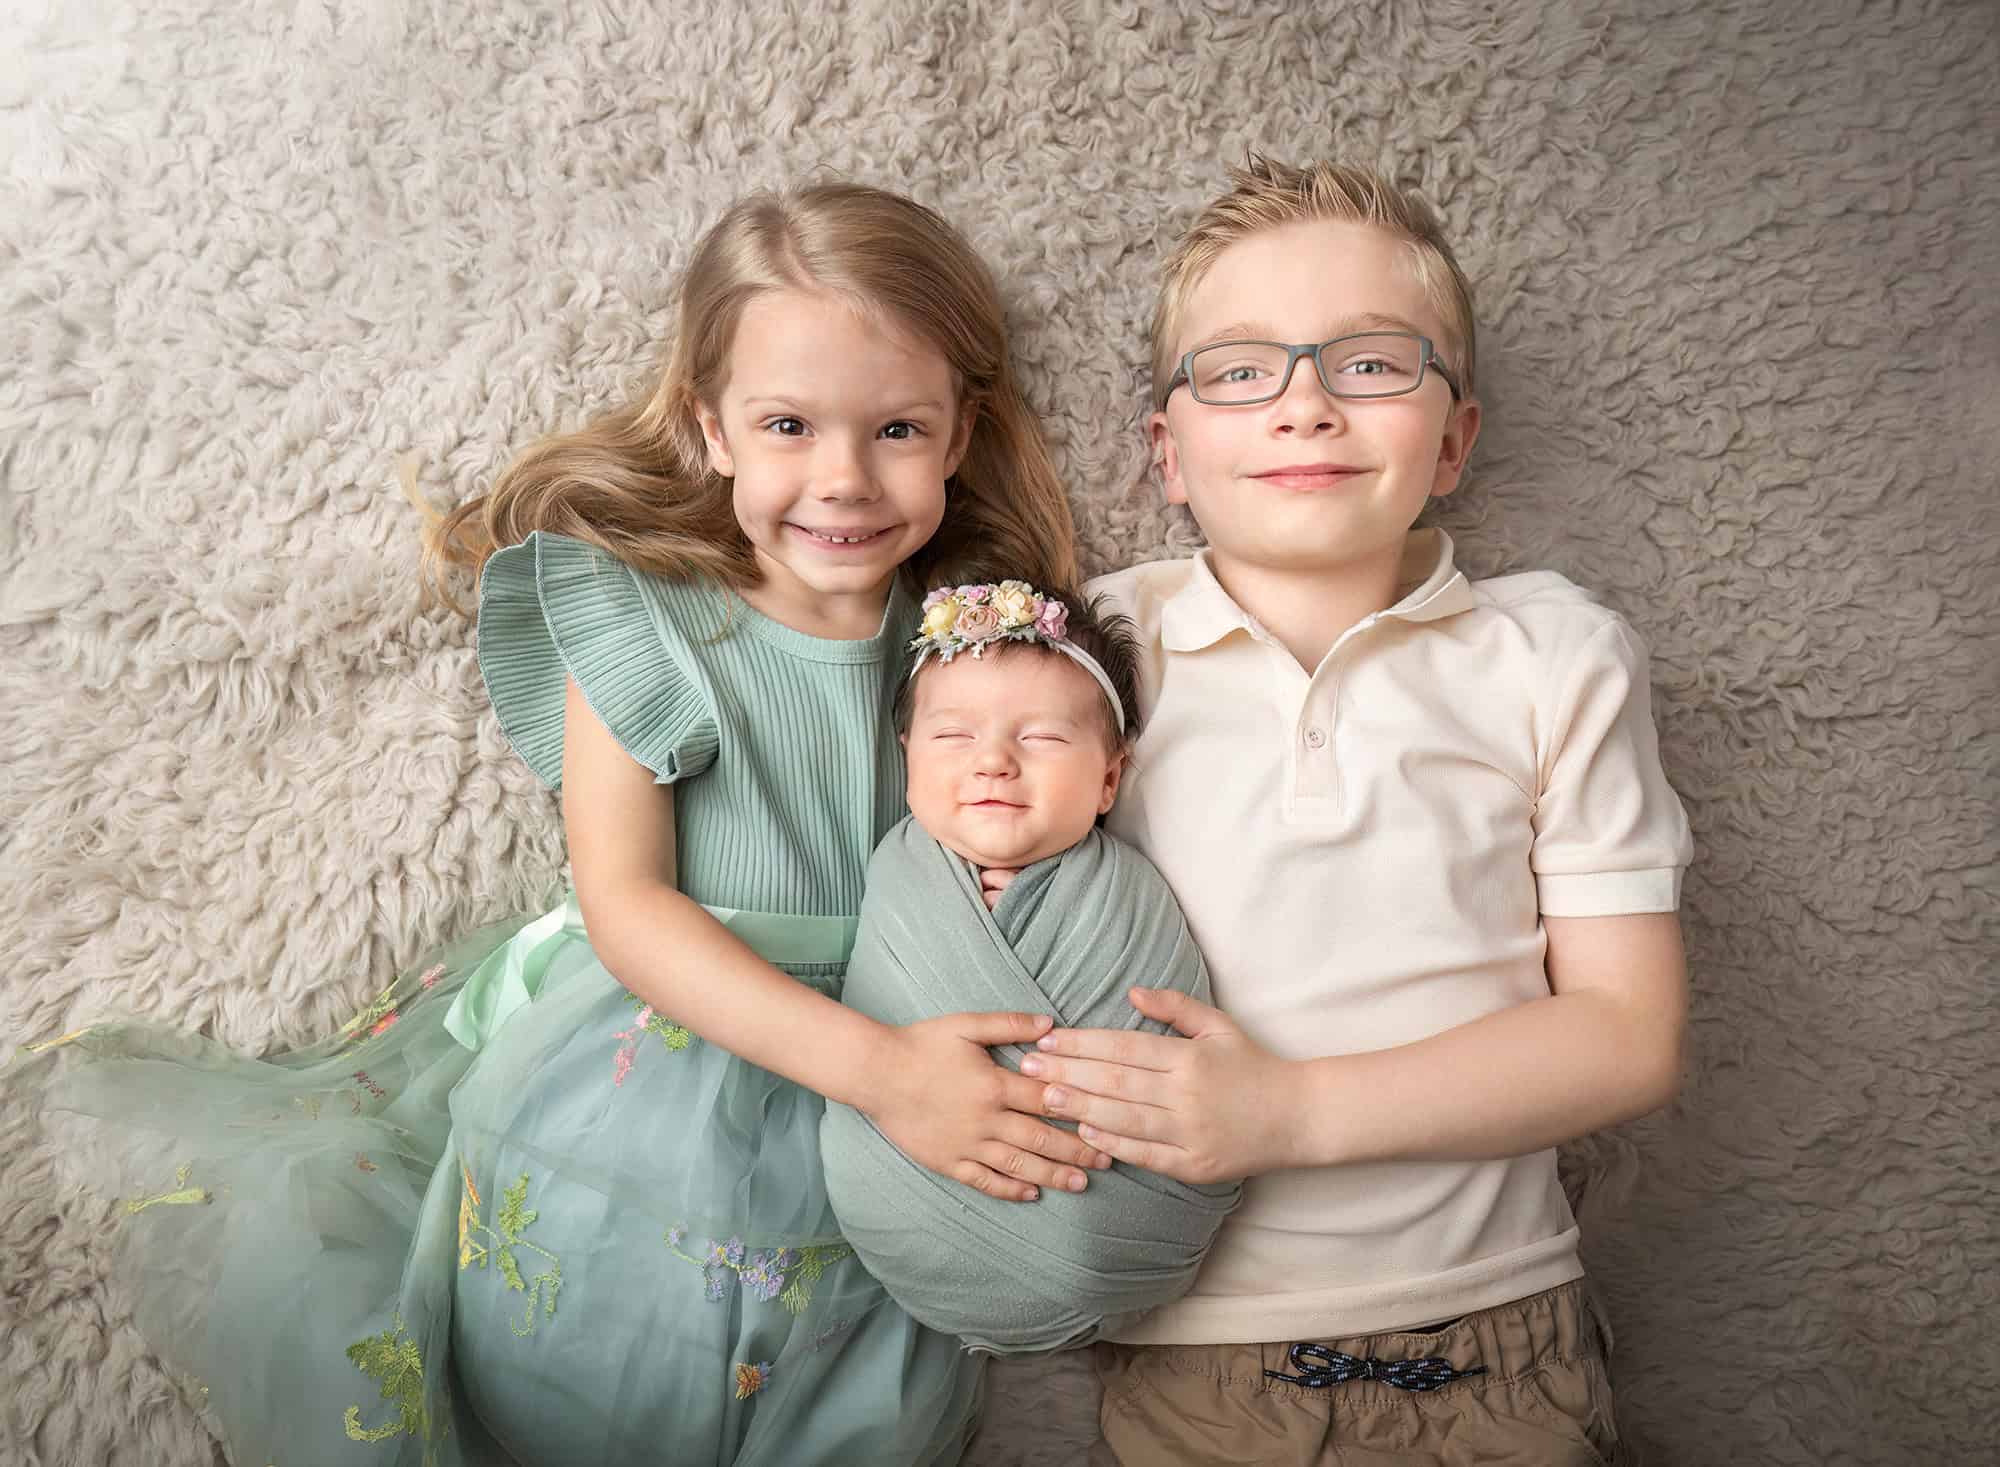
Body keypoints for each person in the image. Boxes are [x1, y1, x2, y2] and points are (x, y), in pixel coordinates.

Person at [15, 182, 1104, 1467]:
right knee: (589, 1385)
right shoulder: (649, 617)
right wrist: (877, 1073)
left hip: (890, 1069)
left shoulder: (968, 643)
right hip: (675, 1058)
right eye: (787, 426)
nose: (843, 479)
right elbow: (625, 905)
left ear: (960, 432)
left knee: (861, 1403)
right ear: (708, 428)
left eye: (898, 430)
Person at [1017, 156, 1695, 1466]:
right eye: (1238, 369)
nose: (1304, 405)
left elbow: (1628, 1033)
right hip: (1196, 1352)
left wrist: (1292, 1113)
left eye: (1372, 363)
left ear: (1453, 440)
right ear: (1166, 452)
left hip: (1495, 1338)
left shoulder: (1552, 655)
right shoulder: (1095, 646)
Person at [820, 580, 1240, 1354]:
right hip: (905, 1212)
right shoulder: (897, 873)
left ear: (1109, 778)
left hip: (1123, 1228)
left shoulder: (1133, 893)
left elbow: (1170, 1047)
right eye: (953, 736)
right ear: (906, 758)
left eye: (1041, 737)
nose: (993, 762)